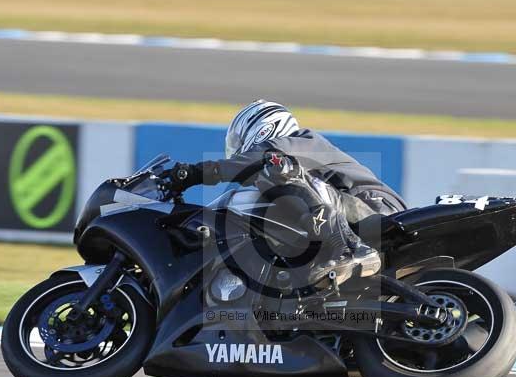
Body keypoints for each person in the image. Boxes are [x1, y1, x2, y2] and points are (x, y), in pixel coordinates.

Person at [162, 99, 406, 285]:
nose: (238, 151)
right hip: (358, 216)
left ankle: (350, 251)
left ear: (263, 129)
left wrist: (192, 173)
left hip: (379, 212)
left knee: (278, 170)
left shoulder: (300, 141)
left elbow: (258, 160)